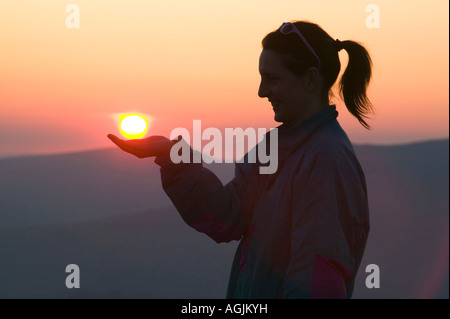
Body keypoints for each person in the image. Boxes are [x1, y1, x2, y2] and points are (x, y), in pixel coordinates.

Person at [108, 20, 372, 299]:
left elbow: (317, 281)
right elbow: (228, 216)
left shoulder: (327, 160)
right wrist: (171, 155)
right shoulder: (278, 145)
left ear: (310, 78)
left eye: (272, 78)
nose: (261, 91)